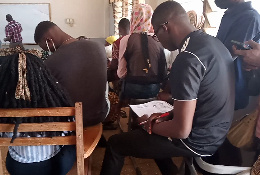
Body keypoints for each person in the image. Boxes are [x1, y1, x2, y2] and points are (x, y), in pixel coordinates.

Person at [100, 2, 235, 175]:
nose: (158, 41)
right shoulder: (213, 44)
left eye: (156, 34)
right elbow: (204, 101)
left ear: (165, 27)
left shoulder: (187, 58)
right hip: (217, 133)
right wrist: (166, 116)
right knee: (154, 134)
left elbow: (181, 130)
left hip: (198, 141)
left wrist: (149, 125)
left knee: (115, 144)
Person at [0, 47, 76, 175]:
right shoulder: (58, 103)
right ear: (43, 75)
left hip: (18, 168)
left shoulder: (0, 107)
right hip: (56, 166)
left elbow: (1, 136)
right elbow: (69, 132)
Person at [34, 21, 109, 127]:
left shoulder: (52, 61)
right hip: (101, 114)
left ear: (48, 41)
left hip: (74, 120)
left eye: (47, 48)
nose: (50, 52)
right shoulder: (99, 46)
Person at [215, 0, 260, 110]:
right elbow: (216, 50)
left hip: (234, 92)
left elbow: (226, 57)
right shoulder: (229, 15)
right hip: (221, 89)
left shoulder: (249, 17)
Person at [117, 3, 166, 100]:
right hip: (154, 89)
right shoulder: (158, 39)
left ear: (133, 18)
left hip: (132, 89)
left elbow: (121, 73)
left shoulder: (126, 39)